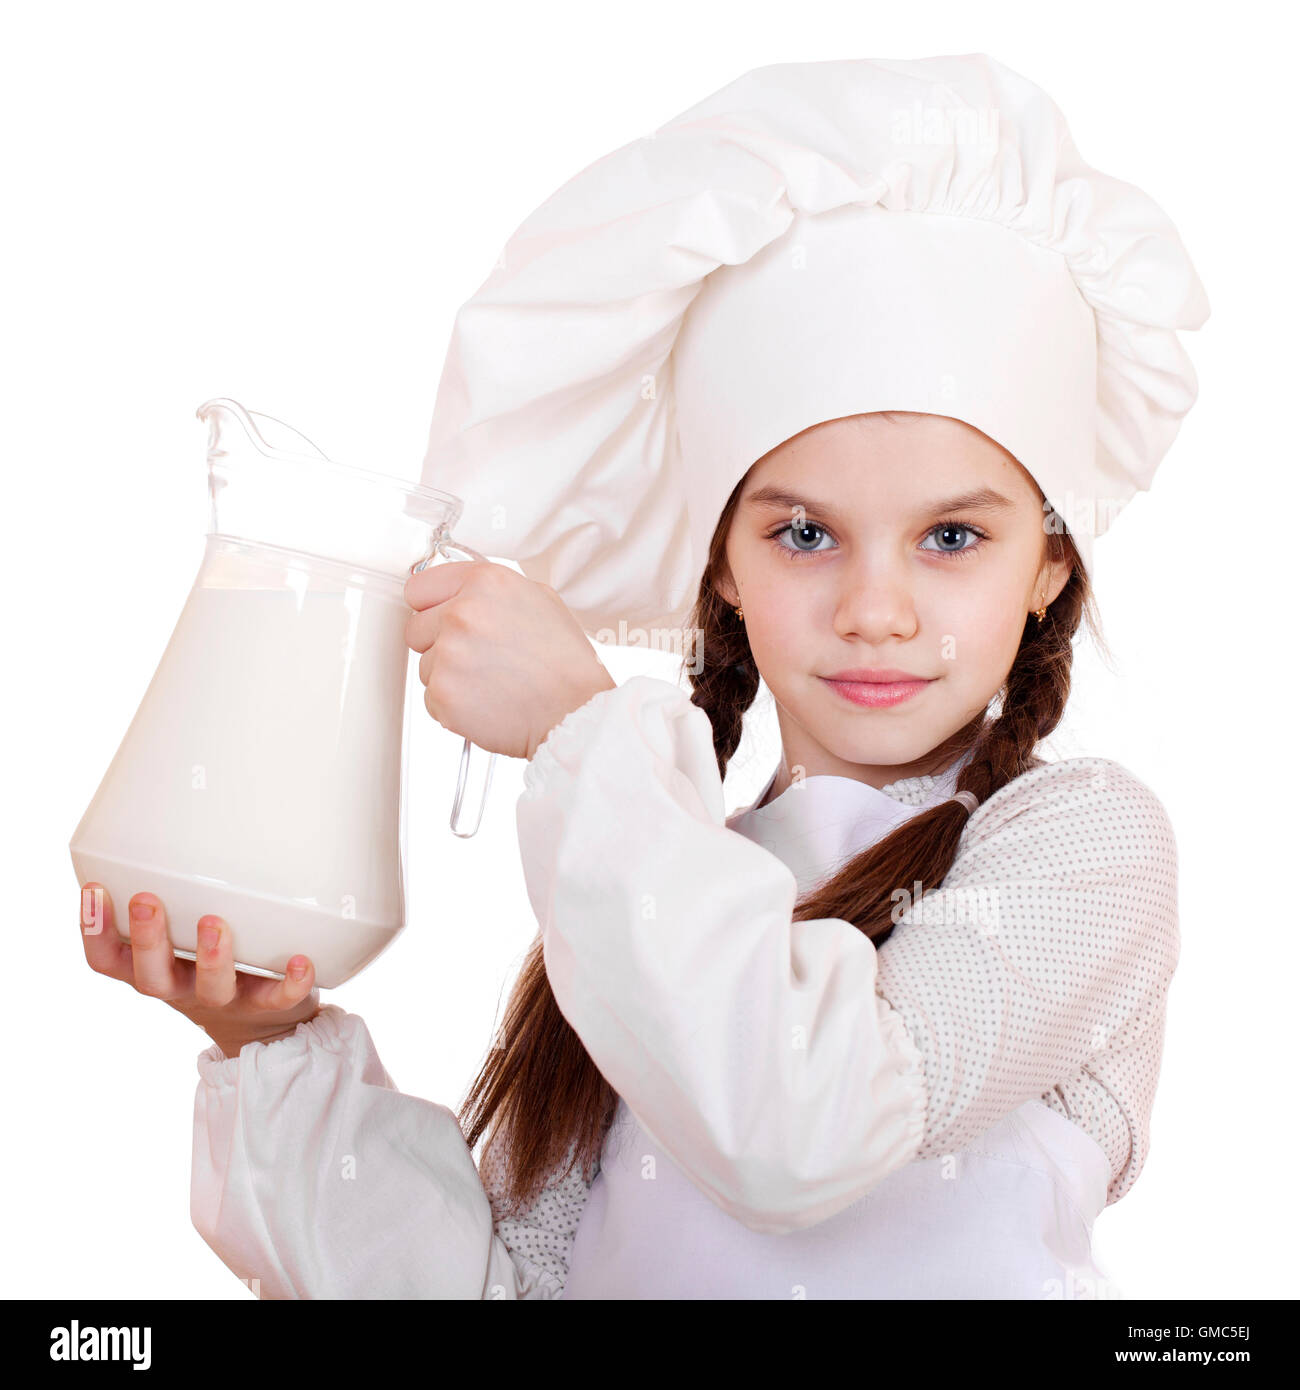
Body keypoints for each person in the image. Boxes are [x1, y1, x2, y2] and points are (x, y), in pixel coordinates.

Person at [79, 53, 1209, 1299]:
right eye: (801, 532)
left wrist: (583, 728)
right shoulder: (652, 879)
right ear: (718, 566)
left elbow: (805, 1121)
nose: (875, 610)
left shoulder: (1078, 850)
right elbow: (495, 1286)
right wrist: (271, 1042)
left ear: (1049, 562)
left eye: (953, 536)